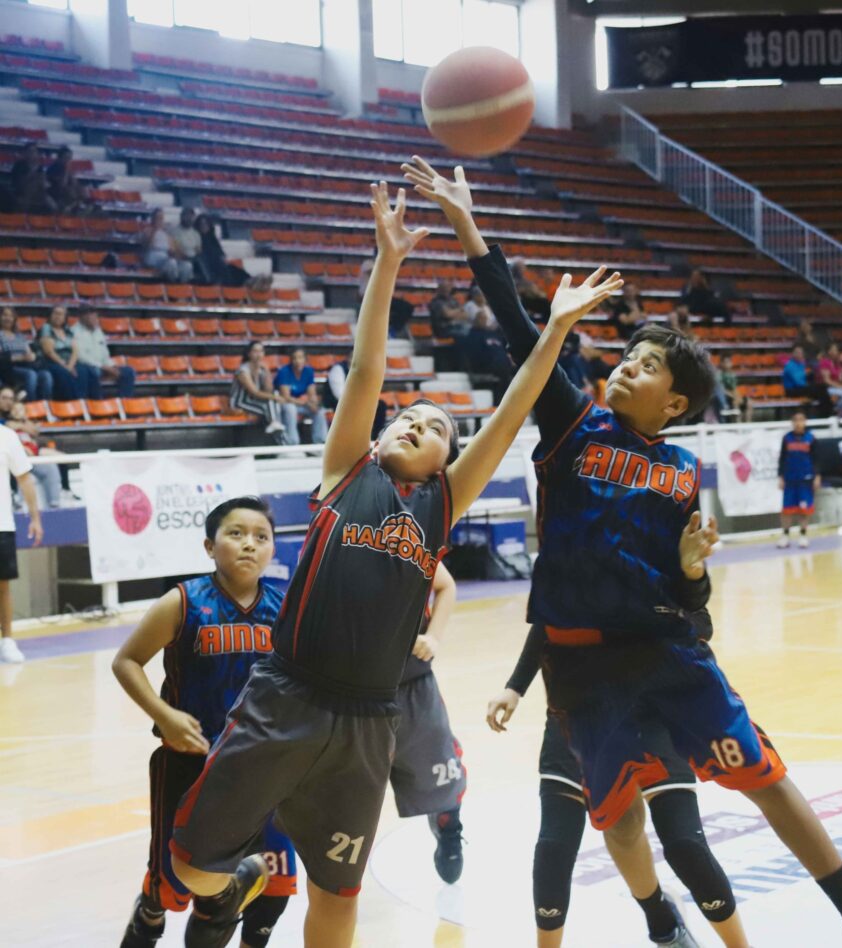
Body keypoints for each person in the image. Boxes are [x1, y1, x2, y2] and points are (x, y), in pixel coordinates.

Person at [402, 157, 842, 948]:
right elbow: (520, 330)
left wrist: (695, 568)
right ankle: (659, 918)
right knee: (620, 821)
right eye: (625, 358)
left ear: (672, 402)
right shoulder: (574, 423)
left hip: (668, 650)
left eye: (644, 366)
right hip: (580, 666)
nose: (626, 367)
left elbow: (688, 593)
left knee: (765, 775)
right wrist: (469, 227)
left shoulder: (681, 471)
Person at [167, 181, 621, 948]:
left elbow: (514, 408)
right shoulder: (348, 469)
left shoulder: (443, 502)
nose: (415, 422)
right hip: (287, 695)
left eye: (436, 424)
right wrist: (387, 261)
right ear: (378, 435)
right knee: (190, 870)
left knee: (336, 895)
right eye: (406, 417)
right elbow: (367, 366)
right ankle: (239, 878)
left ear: (448, 455)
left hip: (370, 720)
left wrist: (555, 332)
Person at [487, 623, 751, 948]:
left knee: (686, 846)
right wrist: (515, 687)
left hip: (653, 709)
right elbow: (547, 619)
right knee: (559, 845)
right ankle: (662, 921)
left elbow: (701, 623)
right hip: (578, 708)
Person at [112, 497, 294, 948]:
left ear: (273, 549)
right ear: (210, 546)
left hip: (263, 770)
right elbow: (127, 661)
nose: (249, 544)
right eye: (236, 534)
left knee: (272, 887)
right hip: (190, 766)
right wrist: (165, 715)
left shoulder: (289, 607)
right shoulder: (184, 601)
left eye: (261, 536)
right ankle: (149, 917)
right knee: (171, 886)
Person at [390, 563, 467, 884]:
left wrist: (433, 636)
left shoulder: (407, 531)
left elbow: (446, 584)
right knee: (351, 794)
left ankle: (448, 824)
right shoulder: (333, 537)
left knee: (441, 773)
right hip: (355, 690)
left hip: (413, 680)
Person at [0, 420, 43, 664]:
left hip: (1, 523)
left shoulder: (7, 436)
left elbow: (25, 479)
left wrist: (35, 518)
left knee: (3, 586)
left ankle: (7, 640)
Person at [6, 399, 62, 509]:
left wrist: (23, 424)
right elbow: (12, 428)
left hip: (33, 457)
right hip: (18, 458)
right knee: (22, 473)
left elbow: (35, 431)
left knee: (53, 465)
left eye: (20, 409)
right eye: (15, 410)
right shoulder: (8, 424)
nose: (17, 412)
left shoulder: (27, 423)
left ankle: (54, 501)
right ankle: (19, 502)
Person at [37, 306, 100, 401]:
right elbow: (49, 352)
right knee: (65, 374)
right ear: (50, 315)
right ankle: (73, 403)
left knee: (87, 371)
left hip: (69, 362)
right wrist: (66, 366)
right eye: (55, 313)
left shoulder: (67, 330)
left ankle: (93, 404)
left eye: (61, 314)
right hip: (52, 362)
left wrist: (70, 365)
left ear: (65, 317)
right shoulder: (46, 328)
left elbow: (75, 350)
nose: (58, 316)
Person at [777, 410, 819, 549]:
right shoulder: (786, 438)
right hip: (790, 479)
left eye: (801, 419)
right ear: (792, 422)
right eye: (795, 420)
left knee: (804, 510)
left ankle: (803, 535)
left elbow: (817, 460)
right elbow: (782, 459)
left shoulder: (811, 438)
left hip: (806, 479)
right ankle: (785, 535)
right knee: (786, 509)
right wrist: (781, 477)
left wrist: (817, 476)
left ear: (805, 421)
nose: (798, 423)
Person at [71, 308, 136, 398]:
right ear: (83, 317)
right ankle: (98, 403)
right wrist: (104, 367)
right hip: (86, 367)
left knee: (128, 371)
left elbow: (105, 353)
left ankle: (124, 402)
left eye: (96, 317)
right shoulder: (74, 331)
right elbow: (81, 357)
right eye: (92, 317)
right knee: (94, 372)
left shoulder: (98, 331)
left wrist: (112, 366)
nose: (95, 320)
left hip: (103, 367)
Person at [230, 341, 285, 439]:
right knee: (273, 408)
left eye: (261, 351)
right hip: (240, 403)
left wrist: (267, 371)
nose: (258, 354)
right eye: (255, 351)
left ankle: (275, 425)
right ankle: (282, 441)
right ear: (249, 354)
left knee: (273, 406)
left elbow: (269, 390)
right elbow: (254, 392)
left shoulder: (262, 369)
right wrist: (275, 397)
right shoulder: (243, 370)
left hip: (254, 402)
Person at [273, 348, 328, 447]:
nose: (297, 361)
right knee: (291, 409)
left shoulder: (308, 371)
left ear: (305, 360)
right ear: (291, 360)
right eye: (294, 358)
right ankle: (292, 443)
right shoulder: (284, 371)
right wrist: (306, 403)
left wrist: (314, 404)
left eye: (300, 358)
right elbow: (286, 397)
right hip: (285, 403)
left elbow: (312, 394)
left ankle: (320, 443)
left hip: (301, 403)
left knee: (319, 411)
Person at [0, 307, 53, 402]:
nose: (8, 318)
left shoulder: (19, 336)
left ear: (14, 319)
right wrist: (19, 358)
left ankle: (45, 405)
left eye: (11, 316)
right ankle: (31, 405)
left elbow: (28, 351)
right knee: (31, 375)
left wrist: (32, 356)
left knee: (46, 375)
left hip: (25, 365)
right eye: (5, 315)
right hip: (8, 368)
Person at [143, 209, 193, 283]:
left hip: (166, 259)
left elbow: (173, 250)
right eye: (158, 218)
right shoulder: (147, 231)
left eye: (161, 218)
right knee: (171, 263)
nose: (160, 220)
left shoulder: (167, 234)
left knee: (187, 265)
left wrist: (179, 254)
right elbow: (147, 246)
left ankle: (181, 288)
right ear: (153, 219)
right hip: (153, 260)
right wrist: (155, 230)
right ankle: (172, 285)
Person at [782, 346, 832, 418]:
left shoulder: (801, 364)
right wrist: (807, 376)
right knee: (818, 389)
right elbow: (798, 382)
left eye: (801, 353)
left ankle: (824, 412)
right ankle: (824, 414)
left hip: (801, 388)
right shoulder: (790, 365)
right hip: (791, 390)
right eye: (798, 353)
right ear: (793, 354)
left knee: (822, 387)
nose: (801, 355)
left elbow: (804, 379)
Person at [10, 143, 55, 213]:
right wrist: (32, 171)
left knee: (52, 205)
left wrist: (44, 182)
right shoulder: (18, 165)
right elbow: (19, 184)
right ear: (25, 153)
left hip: (39, 193)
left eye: (34, 151)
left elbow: (44, 181)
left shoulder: (39, 166)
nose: (32, 154)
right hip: (22, 193)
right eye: (30, 151)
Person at [45, 145, 91, 214]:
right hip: (56, 194)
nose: (68, 160)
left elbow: (74, 183)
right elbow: (62, 185)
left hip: (68, 195)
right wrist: (67, 170)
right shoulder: (54, 168)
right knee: (72, 192)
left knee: (83, 190)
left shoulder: (68, 168)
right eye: (66, 157)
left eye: (70, 158)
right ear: (59, 158)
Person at [816, 343, 842, 413]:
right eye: (835, 350)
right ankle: (837, 412)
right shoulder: (824, 362)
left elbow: (840, 379)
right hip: (825, 388)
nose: (837, 352)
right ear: (829, 352)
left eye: (837, 350)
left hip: (836, 387)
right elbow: (826, 381)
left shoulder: (837, 363)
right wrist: (841, 387)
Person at [173, 208, 203, 279]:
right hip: (180, 260)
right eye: (187, 216)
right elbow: (175, 249)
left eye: (191, 217)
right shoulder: (175, 232)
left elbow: (198, 250)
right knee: (187, 265)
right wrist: (185, 257)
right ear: (182, 217)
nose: (189, 219)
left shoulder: (196, 234)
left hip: (194, 260)